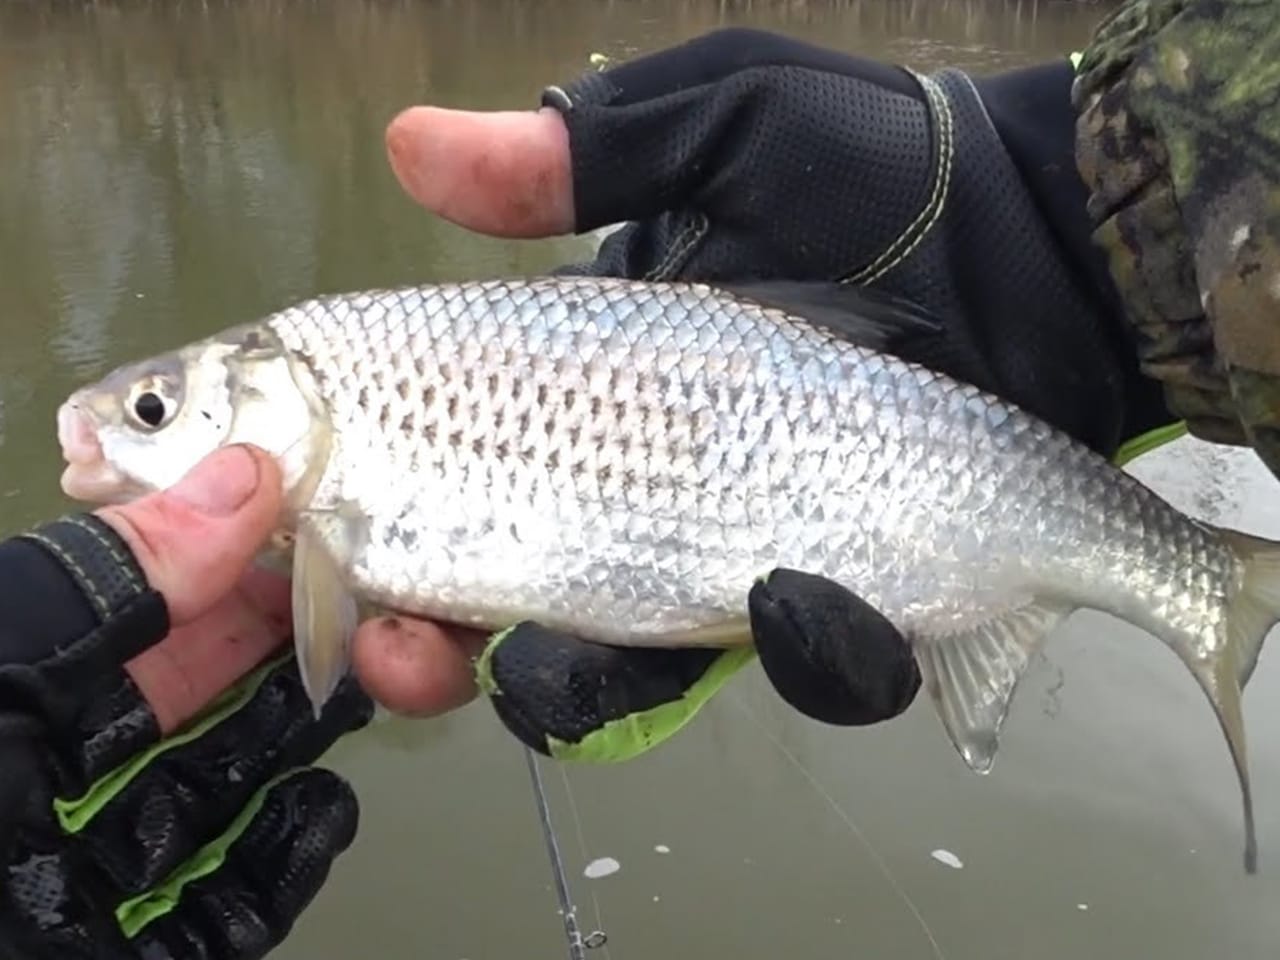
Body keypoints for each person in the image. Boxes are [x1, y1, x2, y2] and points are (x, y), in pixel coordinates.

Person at [5, 2, 1278, 955]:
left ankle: (1219, 585)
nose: (115, 433)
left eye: (154, 411)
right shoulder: (331, 455)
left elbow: (334, 654)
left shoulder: (332, 443)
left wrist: (1058, 222)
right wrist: (1081, 223)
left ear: (272, 401)